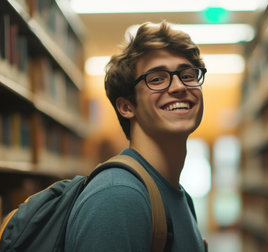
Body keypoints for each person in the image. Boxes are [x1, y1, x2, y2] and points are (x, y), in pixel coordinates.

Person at [65, 21, 208, 251]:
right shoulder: (117, 197)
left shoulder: (181, 197)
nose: (179, 86)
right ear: (126, 107)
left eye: (188, 74)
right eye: (157, 79)